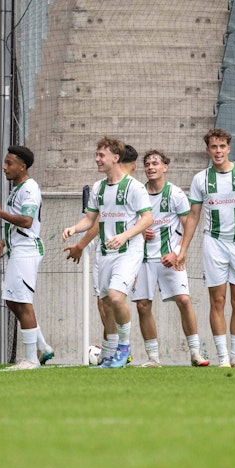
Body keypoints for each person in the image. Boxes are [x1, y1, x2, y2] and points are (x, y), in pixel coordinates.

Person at [62, 137, 152, 369]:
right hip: (104, 252)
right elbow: (90, 219)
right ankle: (111, 353)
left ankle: (124, 347)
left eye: (101, 155)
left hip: (128, 251)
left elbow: (147, 219)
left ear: (115, 157)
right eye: (97, 154)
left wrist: (125, 235)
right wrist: (74, 228)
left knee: (115, 296)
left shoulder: (134, 187)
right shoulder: (98, 187)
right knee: (106, 302)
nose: (97, 159)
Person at [178, 128, 235, 368]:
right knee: (217, 300)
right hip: (214, 243)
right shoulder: (200, 179)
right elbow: (193, 216)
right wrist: (183, 249)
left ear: (229, 148)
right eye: (213, 147)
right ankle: (223, 358)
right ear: (207, 150)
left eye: (222, 146)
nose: (218, 151)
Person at [131, 149, 209, 367]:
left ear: (165, 167)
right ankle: (153, 358)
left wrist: (178, 252)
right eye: (147, 164)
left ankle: (195, 353)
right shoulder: (138, 193)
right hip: (143, 259)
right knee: (142, 306)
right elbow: (129, 223)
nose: (151, 167)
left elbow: (188, 226)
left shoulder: (175, 194)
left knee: (184, 300)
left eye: (155, 163)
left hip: (170, 257)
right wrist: (139, 231)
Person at [0, 146, 49, 370]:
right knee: (12, 300)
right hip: (16, 250)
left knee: (23, 302)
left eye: (9, 163)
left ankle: (32, 359)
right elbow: (17, 225)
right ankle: (43, 346)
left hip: (27, 252)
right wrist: (2, 243)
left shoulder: (30, 188)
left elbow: (27, 221)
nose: (4, 167)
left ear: (22, 166)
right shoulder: (17, 189)